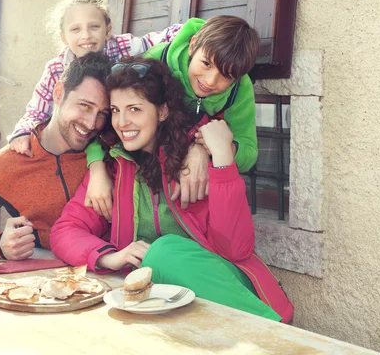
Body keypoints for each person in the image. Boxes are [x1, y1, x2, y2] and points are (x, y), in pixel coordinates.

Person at [50, 58, 293, 323]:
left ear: (162, 111)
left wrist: (222, 159)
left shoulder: (196, 163)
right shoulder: (113, 168)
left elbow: (237, 250)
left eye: (135, 109)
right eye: (116, 111)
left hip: (230, 294)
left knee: (162, 252)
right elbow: (65, 231)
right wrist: (109, 256)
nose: (122, 122)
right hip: (167, 310)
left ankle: (279, 339)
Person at [7, 0, 182, 220]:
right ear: (63, 37)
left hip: (119, 136)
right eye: (75, 29)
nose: (86, 36)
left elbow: (170, 34)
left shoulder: (122, 46)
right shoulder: (56, 69)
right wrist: (21, 132)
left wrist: (199, 35)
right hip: (82, 142)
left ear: (108, 29)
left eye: (94, 27)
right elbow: (35, 111)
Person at [85, 15, 261, 218]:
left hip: (186, 186)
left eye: (226, 76)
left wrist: (209, 147)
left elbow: (249, 152)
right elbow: (105, 121)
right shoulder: (156, 62)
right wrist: (97, 169)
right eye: (206, 64)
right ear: (193, 45)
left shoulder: (239, 90)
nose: (211, 81)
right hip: (143, 168)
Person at [0, 52, 111, 261]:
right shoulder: (8, 163)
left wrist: (98, 166)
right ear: (58, 93)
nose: (92, 123)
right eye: (85, 106)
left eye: (102, 113)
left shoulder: (111, 152)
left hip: (113, 277)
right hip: (47, 281)